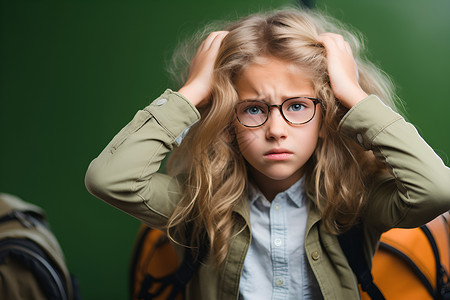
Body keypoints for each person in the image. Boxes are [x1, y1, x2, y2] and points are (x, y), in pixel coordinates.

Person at [85, 8, 450, 299]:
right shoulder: (198, 202)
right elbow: (109, 179)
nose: (276, 130)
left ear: (326, 117)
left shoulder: (353, 201)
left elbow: (437, 190)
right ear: (229, 122)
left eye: (297, 106)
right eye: (254, 109)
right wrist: (193, 91)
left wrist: (352, 95)